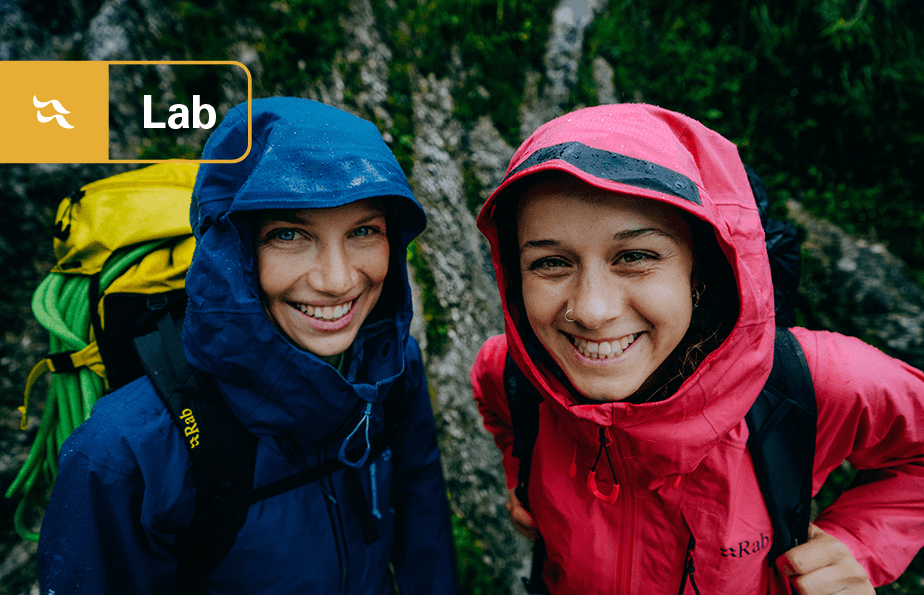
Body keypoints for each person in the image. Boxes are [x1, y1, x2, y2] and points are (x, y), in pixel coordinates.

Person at [471, 104, 924, 594]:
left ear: (701, 268)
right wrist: (523, 481)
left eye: (635, 256)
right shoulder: (514, 372)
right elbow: (497, 407)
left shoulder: (807, 382)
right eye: (550, 263)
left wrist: (858, 544)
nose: (592, 309)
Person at [38, 97, 458, 595]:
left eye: (364, 231)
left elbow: (423, 531)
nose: (338, 279)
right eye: (288, 235)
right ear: (232, 252)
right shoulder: (123, 452)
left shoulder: (389, 366)